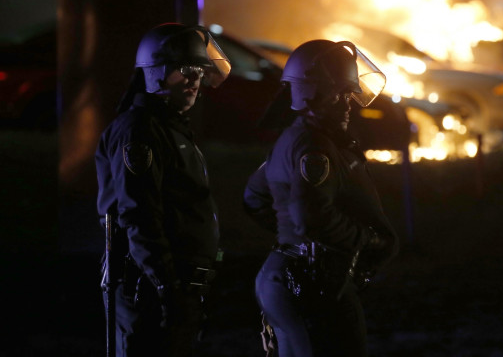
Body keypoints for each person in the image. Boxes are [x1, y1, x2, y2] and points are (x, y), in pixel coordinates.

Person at [243, 39, 399, 357]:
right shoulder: (314, 147)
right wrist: (365, 240)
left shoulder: (294, 138)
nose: (347, 104)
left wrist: (292, 237)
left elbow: (255, 197)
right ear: (309, 94)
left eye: (349, 93)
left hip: (296, 277)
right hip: (312, 283)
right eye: (337, 94)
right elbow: (311, 216)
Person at [96, 23, 231, 356]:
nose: (195, 79)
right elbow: (138, 213)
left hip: (173, 287)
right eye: (185, 69)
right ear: (156, 72)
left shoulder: (170, 127)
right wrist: (167, 288)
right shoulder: (139, 130)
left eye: (200, 70)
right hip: (146, 287)